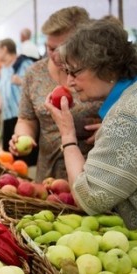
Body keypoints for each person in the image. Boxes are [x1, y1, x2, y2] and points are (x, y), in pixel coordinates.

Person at [44, 19, 137, 229]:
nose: (69, 82)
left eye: (74, 72)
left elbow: (90, 198)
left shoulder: (125, 116)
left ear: (107, 68)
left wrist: (67, 135)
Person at [9, 6, 102, 182]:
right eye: (50, 48)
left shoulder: (98, 73)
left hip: (91, 177)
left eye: (62, 49)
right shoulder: (34, 73)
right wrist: (22, 136)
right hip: (47, 176)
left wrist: (110, 129)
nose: (55, 56)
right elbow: (26, 119)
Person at [0, 38, 34, 151]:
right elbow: (3, 89)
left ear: (4, 49)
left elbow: (36, 84)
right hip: (8, 115)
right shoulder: (3, 69)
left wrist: (21, 81)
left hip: (22, 116)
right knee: (10, 151)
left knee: (22, 150)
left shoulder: (24, 64)